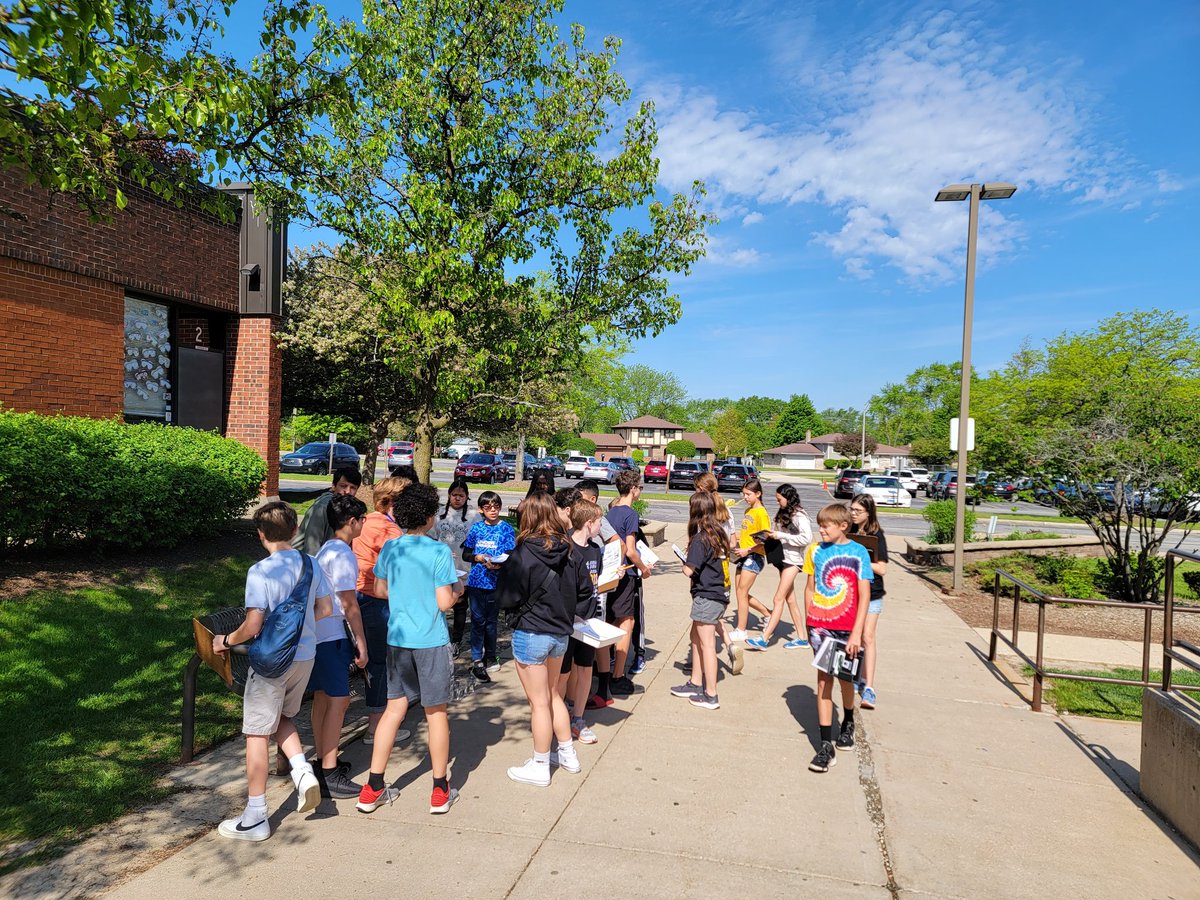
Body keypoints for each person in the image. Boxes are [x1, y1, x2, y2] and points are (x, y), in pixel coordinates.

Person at [212, 502, 334, 842]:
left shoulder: (261, 571)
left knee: (256, 733)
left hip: (271, 662)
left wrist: (225, 640)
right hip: (305, 656)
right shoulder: (312, 564)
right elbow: (325, 608)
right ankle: (302, 770)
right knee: (282, 717)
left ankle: (255, 817)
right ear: (295, 531)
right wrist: (299, 627)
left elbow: (253, 626)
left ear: (261, 534)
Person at [358, 484, 460, 815]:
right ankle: (440, 790)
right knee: (436, 713)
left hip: (397, 639)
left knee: (393, 709)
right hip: (430, 639)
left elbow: (382, 589)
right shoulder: (439, 552)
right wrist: (456, 591)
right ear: (430, 517)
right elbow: (444, 602)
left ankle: (373, 787)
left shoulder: (391, 548)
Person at [497, 492, 594, 786]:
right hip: (559, 635)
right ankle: (566, 754)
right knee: (552, 696)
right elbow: (585, 593)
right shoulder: (570, 551)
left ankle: (540, 763)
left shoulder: (523, 552)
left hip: (531, 633)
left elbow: (506, 597)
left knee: (539, 703)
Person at [802, 503, 872, 774]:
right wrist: (810, 623)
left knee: (846, 680)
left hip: (847, 627)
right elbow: (809, 587)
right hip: (820, 626)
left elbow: (864, 596)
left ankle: (848, 721)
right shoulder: (815, 551)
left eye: (826, 525)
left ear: (843, 526)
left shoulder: (858, 553)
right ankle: (824, 746)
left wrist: (857, 632)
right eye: (820, 525)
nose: (821, 530)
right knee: (823, 680)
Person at [310, 494, 370, 799]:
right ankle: (330, 773)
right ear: (352, 522)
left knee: (323, 699)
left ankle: (322, 762)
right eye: (362, 520)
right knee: (339, 700)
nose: (363, 525)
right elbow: (349, 604)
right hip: (332, 635)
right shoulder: (344, 554)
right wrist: (361, 642)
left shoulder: (326, 550)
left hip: (318, 635)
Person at [353, 475, 411, 745]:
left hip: (361, 597)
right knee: (381, 662)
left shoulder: (369, 521)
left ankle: (380, 721)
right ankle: (376, 728)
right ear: (390, 503)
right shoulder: (390, 531)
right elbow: (402, 571)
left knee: (379, 661)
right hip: (375, 600)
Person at [670, 490, 731, 710]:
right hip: (718, 593)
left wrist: (683, 563)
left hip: (707, 595)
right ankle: (695, 683)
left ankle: (711, 694)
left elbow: (689, 570)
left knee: (706, 644)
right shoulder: (718, 533)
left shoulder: (700, 537)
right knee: (695, 636)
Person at [597, 469, 652, 701]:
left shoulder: (610, 513)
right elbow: (629, 549)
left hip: (609, 573)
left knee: (608, 620)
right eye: (639, 487)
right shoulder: (630, 514)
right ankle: (617, 676)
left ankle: (602, 668)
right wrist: (644, 568)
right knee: (626, 622)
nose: (639, 491)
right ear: (633, 489)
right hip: (626, 575)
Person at [557, 499, 604, 744]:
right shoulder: (566, 549)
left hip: (589, 621)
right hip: (568, 624)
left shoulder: (595, 549)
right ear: (588, 523)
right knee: (563, 674)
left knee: (586, 669)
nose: (601, 527)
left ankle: (578, 718)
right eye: (599, 522)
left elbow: (596, 583)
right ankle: (559, 715)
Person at [745, 484, 812, 651]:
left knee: (778, 598)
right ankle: (802, 638)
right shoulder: (784, 513)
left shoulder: (800, 515)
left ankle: (764, 638)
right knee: (790, 599)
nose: (777, 502)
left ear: (788, 499)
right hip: (783, 558)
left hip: (793, 561)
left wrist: (781, 535)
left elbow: (806, 538)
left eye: (779, 499)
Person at [461, 490, 517, 682]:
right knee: (477, 621)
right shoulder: (476, 529)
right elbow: (465, 554)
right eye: (488, 508)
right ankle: (477, 658)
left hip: (496, 582)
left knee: (492, 622)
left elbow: (512, 555)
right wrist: (476, 557)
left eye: (496, 507)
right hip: (477, 581)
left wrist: (500, 564)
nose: (492, 511)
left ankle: (491, 656)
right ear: (481, 510)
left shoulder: (507, 529)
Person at [694, 472, 742, 675]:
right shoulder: (726, 510)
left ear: (701, 490)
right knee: (714, 612)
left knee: (705, 616)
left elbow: (702, 539)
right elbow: (732, 543)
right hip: (723, 569)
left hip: (707, 570)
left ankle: (702, 673)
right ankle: (730, 644)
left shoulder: (705, 511)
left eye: (696, 488)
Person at [849, 493, 888, 709]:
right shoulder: (850, 531)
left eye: (858, 511)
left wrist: (860, 559)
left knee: (867, 636)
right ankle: (854, 677)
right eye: (852, 509)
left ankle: (869, 687)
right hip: (851, 593)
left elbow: (882, 568)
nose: (853, 514)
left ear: (868, 513)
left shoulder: (876, 535)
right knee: (851, 635)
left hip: (872, 594)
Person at [431, 478, 477, 652]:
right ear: (449, 495)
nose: (457, 498)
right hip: (442, 564)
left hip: (463, 565)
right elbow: (431, 537)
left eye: (461, 495)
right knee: (440, 602)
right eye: (454, 495)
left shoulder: (473, 516)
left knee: (460, 604)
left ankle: (456, 640)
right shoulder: (439, 513)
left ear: (466, 497)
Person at [729, 478, 774, 641]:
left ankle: (741, 630)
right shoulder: (748, 511)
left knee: (742, 592)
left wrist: (747, 550)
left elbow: (765, 539)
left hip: (754, 556)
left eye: (748, 494)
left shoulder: (762, 514)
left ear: (758, 494)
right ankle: (768, 614)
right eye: (744, 494)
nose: (745, 497)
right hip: (742, 554)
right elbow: (747, 533)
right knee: (740, 592)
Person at [291, 466, 362, 556]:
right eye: (343, 486)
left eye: (353, 488)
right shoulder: (323, 507)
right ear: (333, 486)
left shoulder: (349, 507)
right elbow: (312, 546)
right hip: (302, 560)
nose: (347, 491)